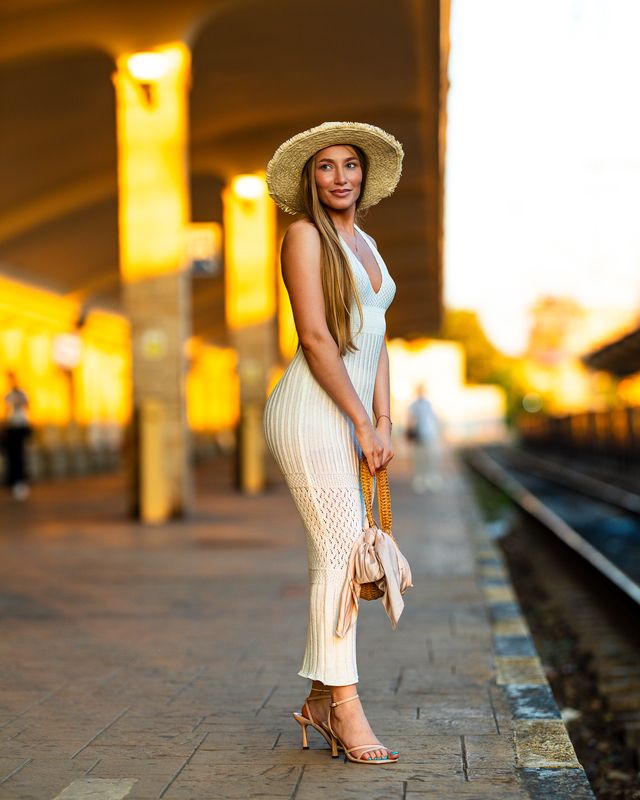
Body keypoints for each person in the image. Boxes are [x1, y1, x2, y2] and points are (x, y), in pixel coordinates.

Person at [263, 121, 403, 764]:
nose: (340, 175)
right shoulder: (302, 238)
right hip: (311, 409)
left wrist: (386, 419)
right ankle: (344, 708)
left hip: (352, 412)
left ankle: (322, 699)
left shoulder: (368, 244)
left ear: (363, 175)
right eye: (326, 166)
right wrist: (360, 421)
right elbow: (318, 340)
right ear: (309, 179)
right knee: (344, 553)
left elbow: (374, 338)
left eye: (350, 164)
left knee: (340, 551)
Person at [407, 383, 443, 493]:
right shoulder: (414, 405)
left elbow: (435, 418)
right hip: (419, 435)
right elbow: (410, 420)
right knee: (419, 459)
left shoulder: (428, 404)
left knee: (429, 458)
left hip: (428, 434)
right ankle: (420, 479)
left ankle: (429, 479)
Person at [3, 372, 32, 500]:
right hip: (13, 427)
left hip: (19, 426)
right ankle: (15, 481)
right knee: (13, 456)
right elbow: (6, 410)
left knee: (19, 455)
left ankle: (20, 482)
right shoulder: (9, 394)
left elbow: (27, 406)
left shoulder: (20, 393)